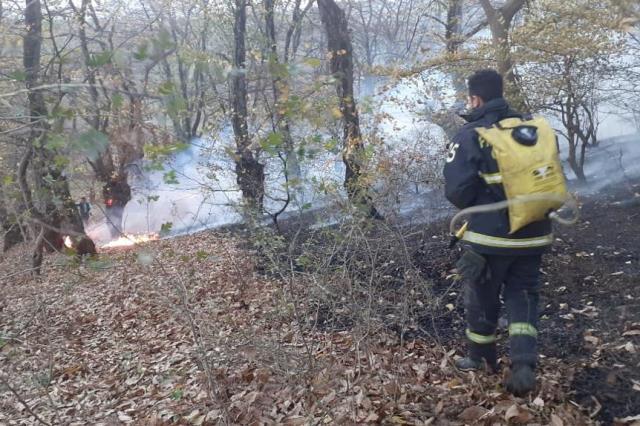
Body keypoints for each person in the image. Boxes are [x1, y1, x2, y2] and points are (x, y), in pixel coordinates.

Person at [443, 69, 553, 396]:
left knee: (481, 298)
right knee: (523, 297)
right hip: (533, 233)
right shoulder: (529, 129)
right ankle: (523, 363)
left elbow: (458, 192)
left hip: (488, 241)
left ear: (475, 98)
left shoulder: (469, 134)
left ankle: (481, 358)